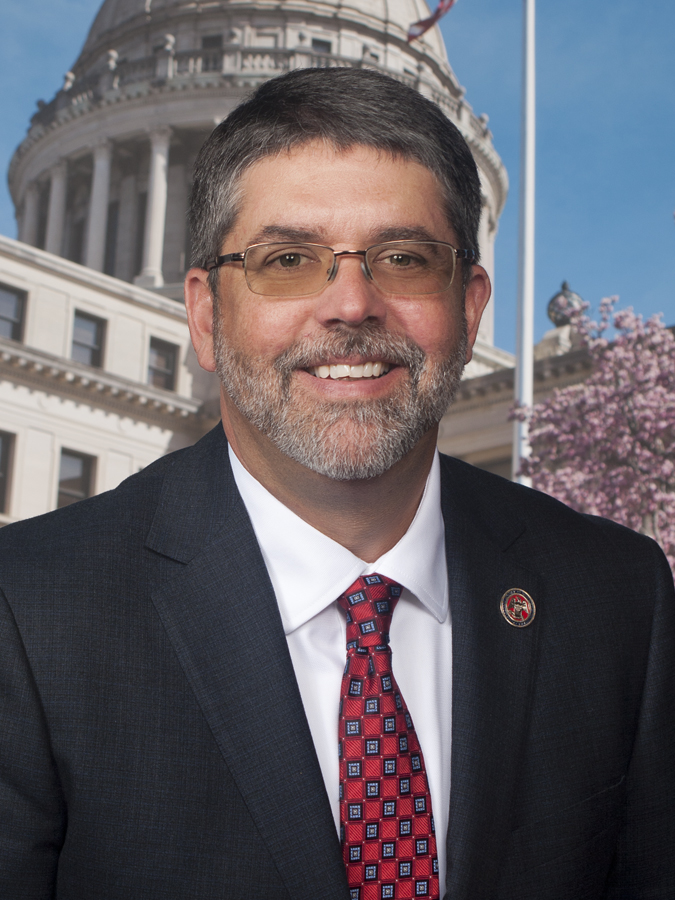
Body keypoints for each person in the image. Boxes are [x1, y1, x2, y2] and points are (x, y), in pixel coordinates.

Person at [0, 67, 673, 900]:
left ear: (469, 310)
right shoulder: (26, 610)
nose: (350, 304)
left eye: (402, 256)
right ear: (206, 317)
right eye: (287, 259)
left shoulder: (617, 597)